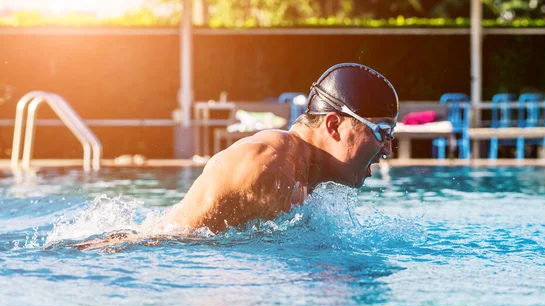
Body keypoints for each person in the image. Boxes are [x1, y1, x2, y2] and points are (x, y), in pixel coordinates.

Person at [73, 63, 399, 250]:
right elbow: (178, 248)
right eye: (382, 133)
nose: (388, 149)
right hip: (134, 256)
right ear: (333, 125)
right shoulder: (269, 166)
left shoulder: (303, 171)